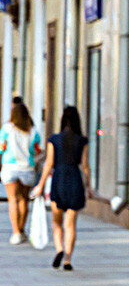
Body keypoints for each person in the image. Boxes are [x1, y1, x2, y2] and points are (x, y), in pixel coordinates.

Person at [31, 106, 89, 271]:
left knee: (56, 222)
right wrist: (89, 187)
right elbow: (85, 166)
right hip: (75, 180)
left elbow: (48, 164)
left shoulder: (54, 140)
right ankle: (68, 260)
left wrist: (40, 185)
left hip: (59, 179)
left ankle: (59, 249)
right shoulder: (82, 140)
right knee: (70, 224)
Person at [0, 99, 43, 245]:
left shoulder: (6, 128)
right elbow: (36, 150)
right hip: (27, 168)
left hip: (10, 167)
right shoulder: (33, 131)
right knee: (24, 199)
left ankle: (16, 233)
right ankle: (22, 229)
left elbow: (1, 147)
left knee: (13, 199)